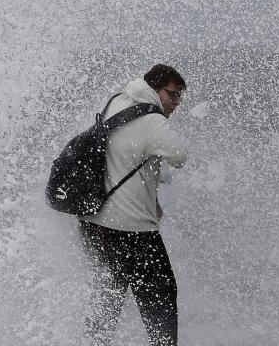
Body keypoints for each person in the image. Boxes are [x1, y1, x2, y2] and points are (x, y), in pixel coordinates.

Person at [77, 63, 190, 346]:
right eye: (172, 95)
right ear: (155, 88)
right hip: (133, 232)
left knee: (108, 298)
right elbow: (179, 154)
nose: (175, 103)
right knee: (161, 301)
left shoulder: (117, 102)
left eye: (179, 97)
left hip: (94, 223)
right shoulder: (152, 120)